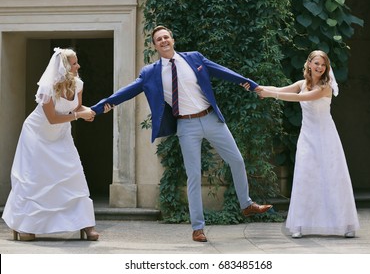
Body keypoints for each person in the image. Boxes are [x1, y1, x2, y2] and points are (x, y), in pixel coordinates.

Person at [91, 25, 272, 242]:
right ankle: (198, 228)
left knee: (237, 160)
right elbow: (127, 91)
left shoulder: (194, 58)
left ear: (173, 39)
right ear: (155, 46)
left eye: (166, 37)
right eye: (159, 39)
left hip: (211, 119)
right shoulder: (150, 73)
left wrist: (251, 85)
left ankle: (246, 204)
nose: (164, 41)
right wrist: (101, 107)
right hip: (187, 127)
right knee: (193, 176)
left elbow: (222, 71)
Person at [255, 50, 360, 238]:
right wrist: (257, 87)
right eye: (317, 63)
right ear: (309, 64)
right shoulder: (301, 84)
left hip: (326, 137)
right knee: (305, 176)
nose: (320, 68)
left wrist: (270, 94)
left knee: (333, 176)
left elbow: (300, 98)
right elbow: (281, 89)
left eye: (323, 65)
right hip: (307, 136)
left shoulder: (326, 87)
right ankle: (300, 225)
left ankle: (346, 224)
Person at [2, 47, 101, 241]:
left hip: (62, 134)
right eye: (74, 63)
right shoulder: (47, 88)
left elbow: (77, 107)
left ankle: (86, 224)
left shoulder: (78, 84)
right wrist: (79, 115)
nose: (78, 66)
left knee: (73, 172)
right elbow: (53, 118)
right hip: (37, 134)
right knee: (35, 177)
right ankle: (27, 226)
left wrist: (89, 111)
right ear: (64, 67)